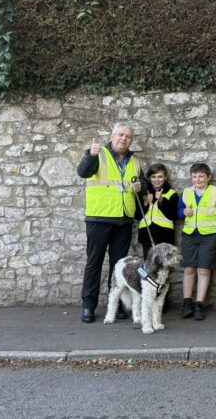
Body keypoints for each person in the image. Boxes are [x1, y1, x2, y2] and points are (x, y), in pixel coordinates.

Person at [76, 123, 143, 323]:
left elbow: (140, 184)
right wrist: (91, 155)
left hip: (123, 220)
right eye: (121, 135)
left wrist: (142, 185)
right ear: (112, 136)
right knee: (94, 263)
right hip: (99, 218)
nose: (124, 139)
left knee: (119, 266)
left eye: (128, 136)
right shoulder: (99, 154)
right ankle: (89, 305)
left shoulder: (135, 161)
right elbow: (83, 172)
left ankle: (118, 305)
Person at [177, 163, 216, 321]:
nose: (197, 179)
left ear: (208, 177)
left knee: (204, 270)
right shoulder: (186, 192)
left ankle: (199, 304)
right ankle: (186, 303)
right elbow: (178, 211)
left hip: (209, 236)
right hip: (189, 235)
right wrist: (183, 212)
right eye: (194, 176)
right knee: (189, 268)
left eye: (201, 176)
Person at [137, 163, 178, 258]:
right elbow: (137, 216)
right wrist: (146, 203)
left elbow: (172, 215)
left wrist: (161, 201)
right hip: (146, 234)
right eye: (153, 177)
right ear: (149, 178)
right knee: (148, 265)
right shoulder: (143, 193)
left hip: (164, 236)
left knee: (163, 266)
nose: (156, 180)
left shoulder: (171, 194)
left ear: (165, 177)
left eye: (160, 177)